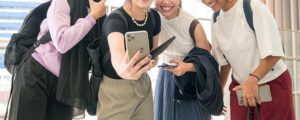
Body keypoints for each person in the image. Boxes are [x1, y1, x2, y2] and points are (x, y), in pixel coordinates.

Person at [8, 0, 106, 119]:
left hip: (65, 82)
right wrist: (92, 17)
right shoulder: (63, 2)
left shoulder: (100, 15)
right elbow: (61, 41)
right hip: (36, 72)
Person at [200, 0, 295, 119]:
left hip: (273, 83)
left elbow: (274, 53)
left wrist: (253, 79)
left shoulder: (254, 8)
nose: (206, 1)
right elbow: (224, 62)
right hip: (241, 86)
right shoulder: (215, 20)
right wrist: (218, 90)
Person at [154, 0, 224, 120]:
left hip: (190, 83)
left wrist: (187, 67)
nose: (166, 2)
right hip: (165, 80)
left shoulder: (192, 24)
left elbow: (208, 64)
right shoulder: (152, 17)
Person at [96, 0, 161, 120]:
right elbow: (117, 54)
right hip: (115, 92)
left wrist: (152, 62)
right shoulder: (115, 21)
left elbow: (154, 53)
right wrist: (123, 69)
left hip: (143, 84)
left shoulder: (154, 17)